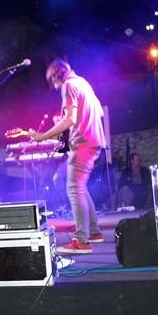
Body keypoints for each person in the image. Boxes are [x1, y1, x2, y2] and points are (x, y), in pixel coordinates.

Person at [29, 59, 106, 254]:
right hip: (94, 141)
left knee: (74, 189)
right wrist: (66, 124)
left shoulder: (69, 85)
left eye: (51, 80)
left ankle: (81, 240)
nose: (53, 86)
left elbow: (70, 119)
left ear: (58, 73)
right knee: (80, 188)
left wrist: (42, 136)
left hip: (83, 143)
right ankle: (94, 232)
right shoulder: (83, 83)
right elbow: (97, 113)